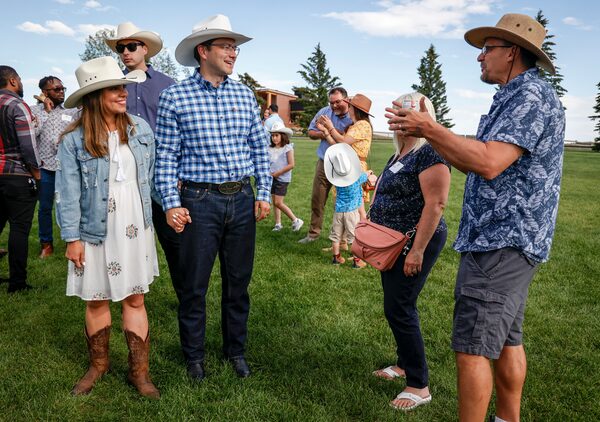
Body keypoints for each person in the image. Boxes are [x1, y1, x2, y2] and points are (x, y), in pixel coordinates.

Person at [386, 13, 565, 422]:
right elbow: (474, 159)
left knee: (472, 347)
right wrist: (428, 132)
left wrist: (430, 129)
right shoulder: (514, 95)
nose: (479, 57)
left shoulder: (530, 96)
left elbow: (488, 161)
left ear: (512, 52)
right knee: (507, 340)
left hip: (501, 240)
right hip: (504, 239)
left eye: (487, 49)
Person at [155, 14, 271, 382]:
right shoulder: (175, 96)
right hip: (198, 201)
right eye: (226, 46)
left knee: (238, 284)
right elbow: (166, 157)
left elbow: (259, 147)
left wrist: (263, 193)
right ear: (203, 51)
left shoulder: (244, 94)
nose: (233, 53)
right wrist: (171, 203)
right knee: (193, 286)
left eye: (235, 48)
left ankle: (235, 352)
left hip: (241, 198)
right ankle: (194, 358)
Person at [55, 56, 160, 399]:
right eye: (114, 88)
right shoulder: (73, 140)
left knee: (135, 297)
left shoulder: (140, 129)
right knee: (96, 299)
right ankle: (98, 365)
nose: (123, 93)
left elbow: (150, 178)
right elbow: (67, 193)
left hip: (134, 224)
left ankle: (139, 372)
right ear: (94, 96)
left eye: (123, 87)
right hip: (93, 228)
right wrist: (72, 238)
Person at [370, 92, 450, 411]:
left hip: (416, 242)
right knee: (397, 305)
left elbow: (436, 204)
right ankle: (403, 365)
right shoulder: (400, 152)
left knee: (399, 307)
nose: (403, 121)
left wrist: (417, 251)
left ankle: (419, 384)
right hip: (392, 242)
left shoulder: (429, 151)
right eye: (399, 115)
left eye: (409, 114)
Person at [105, 22, 183, 302]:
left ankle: (186, 299)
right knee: (124, 239)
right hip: (123, 177)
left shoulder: (167, 85)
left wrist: (178, 172)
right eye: (120, 48)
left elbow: (182, 131)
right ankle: (130, 297)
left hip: (162, 175)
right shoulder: (111, 85)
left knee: (175, 242)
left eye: (131, 46)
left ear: (145, 49)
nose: (125, 52)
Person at [0, 65, 40, 293]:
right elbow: (28, 145)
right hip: (15, 174)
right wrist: (36, 172)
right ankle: (17, 284)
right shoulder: (17, 105)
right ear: (13, 81)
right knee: (19, 228)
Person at [31, 75, 78, 258]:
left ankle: (72, 240)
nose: (61, 92)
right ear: (44, 92)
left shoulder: (72, 112)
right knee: (44, 207)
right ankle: (46, 244)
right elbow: (33, 133)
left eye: (62, 88)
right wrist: (46, 112)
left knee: (70, 204)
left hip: (67, 167)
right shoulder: (34, 111)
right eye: (56, 89)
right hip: (45, 167)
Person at [298, 87, 352, 244]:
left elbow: (346, 141)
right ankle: (313, 234)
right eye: (331, 103)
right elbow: (311, 132)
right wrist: (324, 133)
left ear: (347, 100)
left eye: (337, 102)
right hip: (324, 162)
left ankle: (341, 239)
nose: (334, 106)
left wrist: (330, 130)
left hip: (343, 164)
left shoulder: (353, 116)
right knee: (317, 199)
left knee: (342, 203)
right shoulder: (324, 112)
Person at [317, 93, 373, 219]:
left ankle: (359, 231)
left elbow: (343, 141)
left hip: (355, 167)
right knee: (350, 207)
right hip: (347, 166)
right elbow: (339, 147)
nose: (349, 108)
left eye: (350, 106)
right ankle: (348, 231)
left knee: (357, 210)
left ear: (355, 109)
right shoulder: (354, 125)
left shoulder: (363, 124)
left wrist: (331, 127)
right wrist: (326, 132)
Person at [323, 143, 368, 269]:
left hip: (338, 211)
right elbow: (366, 175)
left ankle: (336, 258)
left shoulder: (337, 182)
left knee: (336, 235)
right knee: (354, 237)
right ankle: (357, 261)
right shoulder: (357, 179)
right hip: (351, 213)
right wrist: (369, 172)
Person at [268, 121, 303, 232]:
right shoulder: (270, 148)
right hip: (272, 178)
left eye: (276, 135)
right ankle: (278, 224)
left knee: (278, 202)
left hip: (282, 179)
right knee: (275, 202)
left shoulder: (287, 148)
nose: (274, 138)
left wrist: (278, 173)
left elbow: (291, 164)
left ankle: (296, 220)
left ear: (282, 136)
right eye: (272, 136)